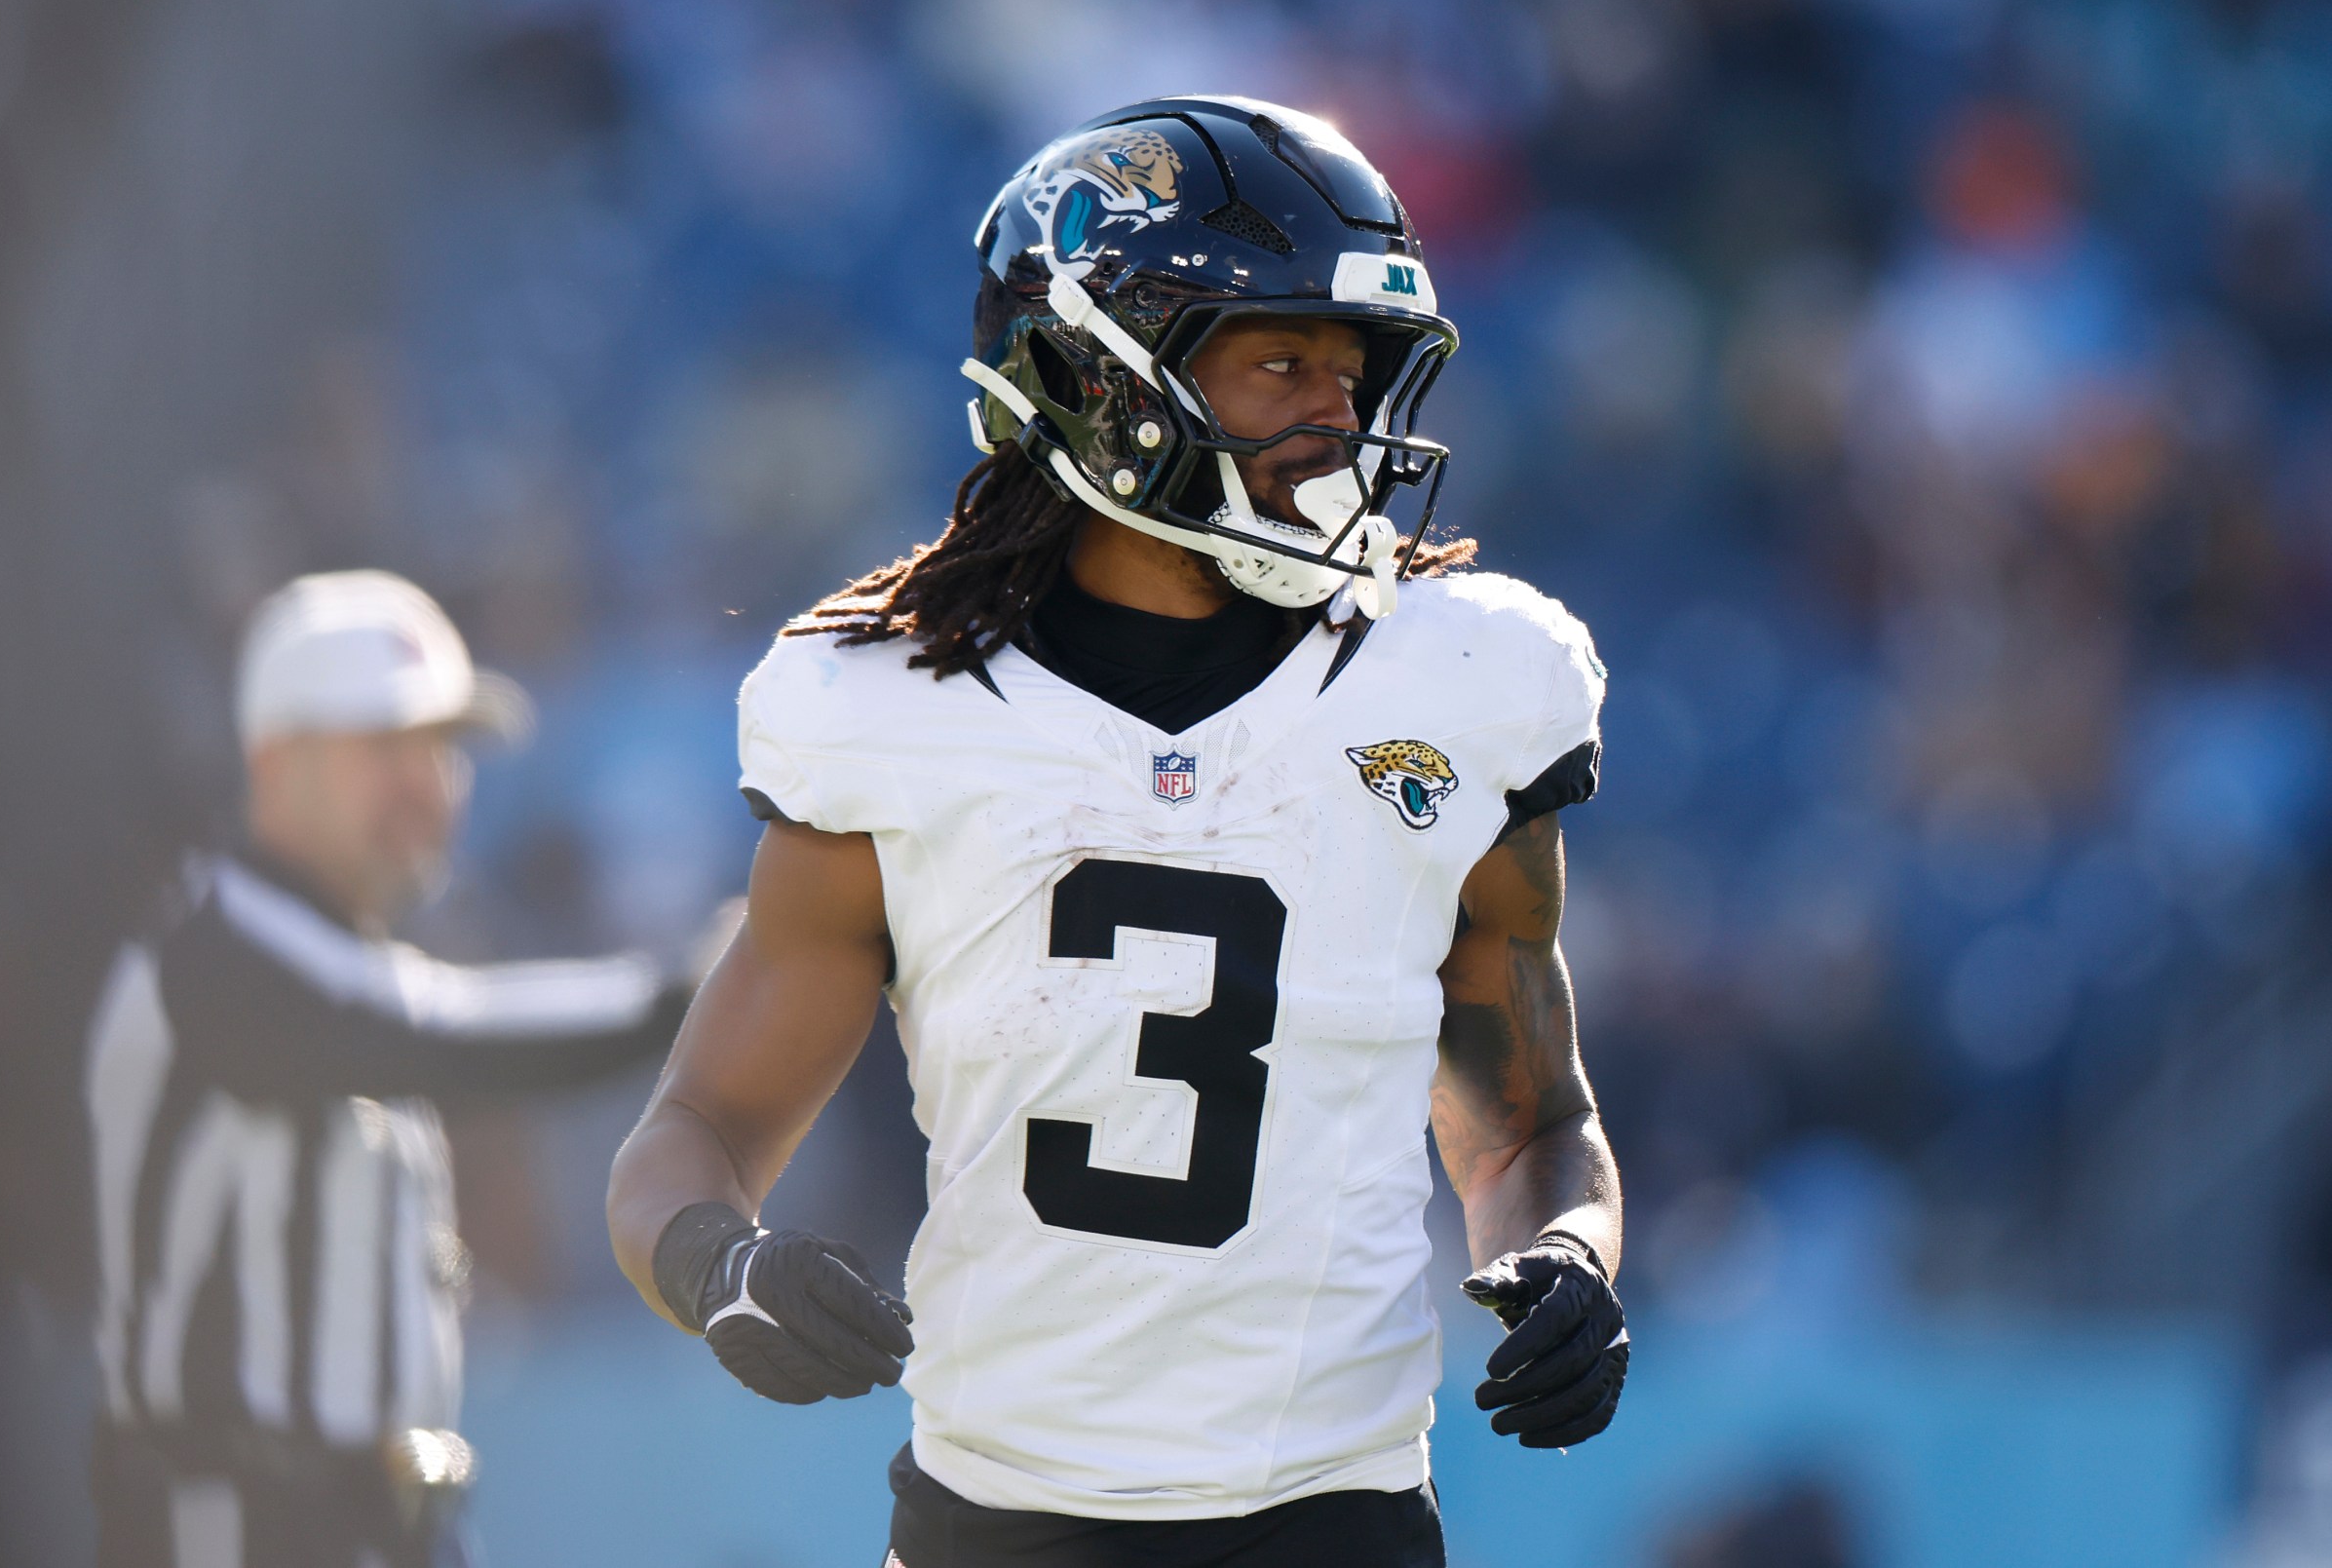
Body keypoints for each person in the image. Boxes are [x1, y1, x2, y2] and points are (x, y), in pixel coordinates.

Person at [608, 97, 1627, 1567]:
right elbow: (691, 1136)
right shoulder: (895, 709)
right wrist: (727, 1268)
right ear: (1096, 369)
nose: (1337, 419)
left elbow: (1535, 1120)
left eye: (1352, 375)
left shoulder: (1457, 678)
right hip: (992, 1525)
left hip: (1332, 1521)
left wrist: (1565, 1253)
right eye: (1283, 360)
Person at [87, 570, 687, 1568]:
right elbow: (450, 1037)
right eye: (384, 744)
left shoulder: (336, 959)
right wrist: (704, 989)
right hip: (230, 1527)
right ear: (275, 762)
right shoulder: (213, 954)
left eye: (443, 747)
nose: (428, 781)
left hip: (376, 1524)